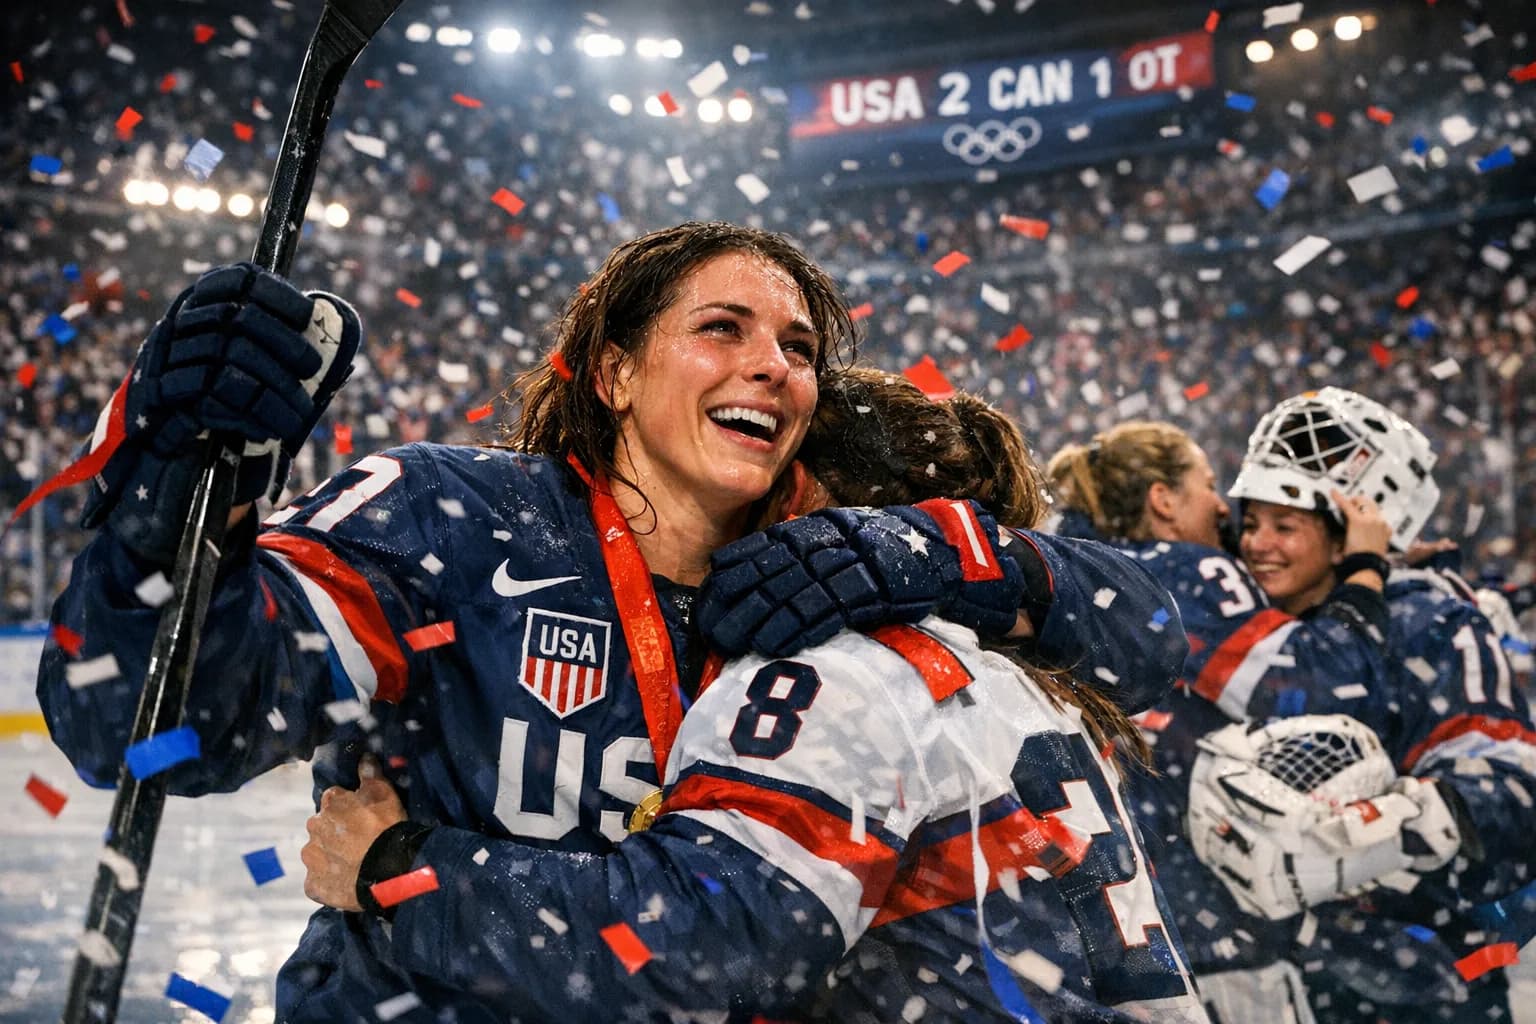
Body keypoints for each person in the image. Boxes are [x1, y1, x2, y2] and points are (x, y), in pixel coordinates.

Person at [37, 221, 1186, 1021]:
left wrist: (961, 551)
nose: (773, 366)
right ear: (616, 372)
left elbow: (1165, 637)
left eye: (798, 348)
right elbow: (151, 727)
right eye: (723, 328)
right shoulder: (456, 518)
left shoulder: (836, 560)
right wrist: (179, 497)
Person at [301, 367, 1209, 1022]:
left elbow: (705, 949)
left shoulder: (836, 672)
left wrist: (400, 870)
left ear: (818, 499)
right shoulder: (1018, 670)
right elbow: (1152, 632)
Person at [1046, 419, 1397, 1024]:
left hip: (1099, 926)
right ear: (1164, 500)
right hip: (1210, 928)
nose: (1222, 505)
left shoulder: (1069, 566)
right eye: (1208, 484)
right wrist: (1367, 568)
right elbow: (1322, 685)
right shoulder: (1185, 572)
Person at [1205, 386, 1536, 1024]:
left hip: (1427, 981)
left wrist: (1374, 834)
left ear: (1352, 532)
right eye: (1252, 522)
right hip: (1284, 984)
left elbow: (1514, 788)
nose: (1257, 544)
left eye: (1285, 525)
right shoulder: (1254, 619)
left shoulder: (1428, 620)